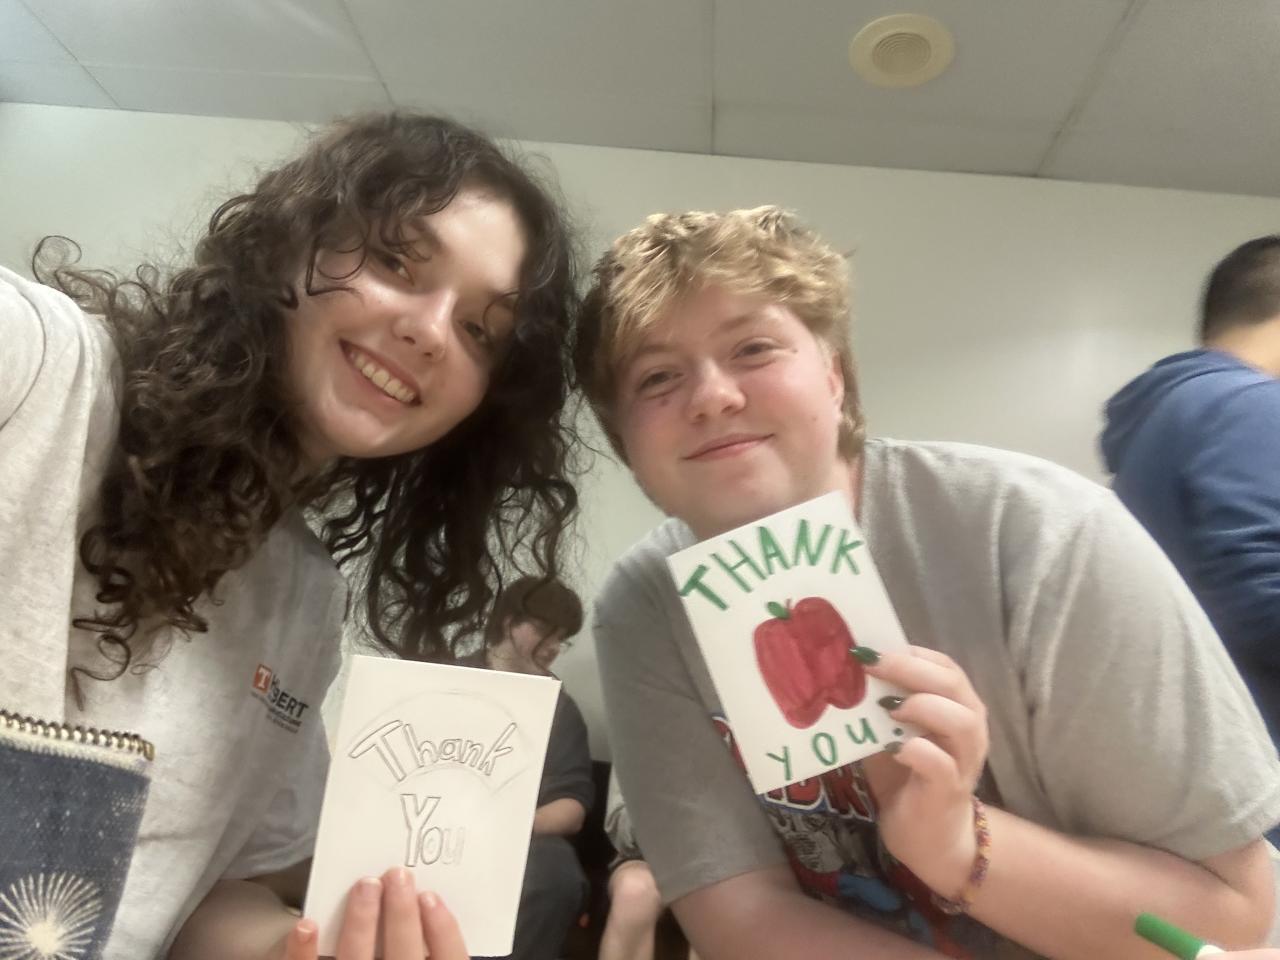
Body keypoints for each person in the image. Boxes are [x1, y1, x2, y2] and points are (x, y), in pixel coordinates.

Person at [573, 206, 1280, 959]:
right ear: (625, 442)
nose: (711, 396)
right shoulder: (645, 608)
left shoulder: (1042, 536)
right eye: (657, 377)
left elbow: (1231, 914)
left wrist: (959, 846)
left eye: (753, 348)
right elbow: (740, 916)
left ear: (835, 377)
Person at [0, 111, 581, 960]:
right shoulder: (44, 372)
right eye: (395, 260)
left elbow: (208, 893)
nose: (429, 330)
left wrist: (301, 946)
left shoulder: (307, 601)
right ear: (288, 245)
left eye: (477, 331)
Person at [1101, 236, 1280, 832]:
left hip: (1205, 772)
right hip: (1261, 765)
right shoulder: (1254, 405)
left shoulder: (1167, 411)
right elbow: (1261, 600)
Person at [472, 575, 594, 960]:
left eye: (562, 638)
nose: (553, 648)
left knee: (556, 872)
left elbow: (571, 806)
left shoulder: (559, 708)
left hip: (518, 837)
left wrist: (507, 828)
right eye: (545, 631)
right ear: (509, 622)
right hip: (424, 822)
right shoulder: (445, 677)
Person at [601, 771, 698, 960]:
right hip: (647, 854)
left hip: (730, 860)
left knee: (721, 899)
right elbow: (618, 827)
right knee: (634, 891)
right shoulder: (636, 751)